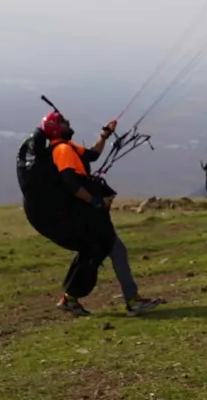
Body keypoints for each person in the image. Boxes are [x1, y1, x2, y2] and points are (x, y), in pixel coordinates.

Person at [41, 110, 164, 317]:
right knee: (110, 249)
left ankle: (71, 298)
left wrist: (104, 135)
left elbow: (93, 155)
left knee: (104, 250)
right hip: (86, 212)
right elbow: (70, 183)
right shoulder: (62, 150)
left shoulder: (69, 147)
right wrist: (95, 201)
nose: (68, 122)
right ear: (55, 129)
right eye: (62, 122)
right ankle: (132, 301)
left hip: (87, 212)